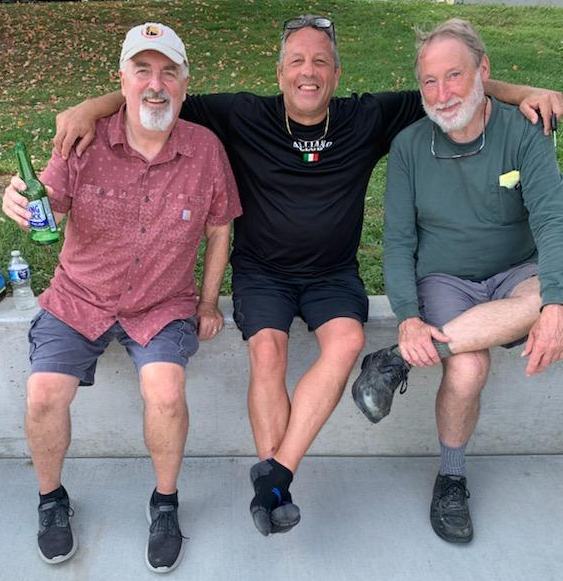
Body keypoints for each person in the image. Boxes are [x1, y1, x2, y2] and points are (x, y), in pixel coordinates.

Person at [52, 14, 563, 537]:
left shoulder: (366, 117)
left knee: (348, 341)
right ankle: (276, 486)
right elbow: (160, 93)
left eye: (320, 61)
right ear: (279, 74)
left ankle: (274, 479)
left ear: (337, 75)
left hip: (332, 273)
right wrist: (89, 109)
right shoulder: (243, 114)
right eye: (296, 61)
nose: (308, 72)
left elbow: (450, 89)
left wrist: (523, 92)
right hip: (263, 272)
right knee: (267, 352)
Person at [2, 23, 241, 572]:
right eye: (142, 71)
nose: (155, 85)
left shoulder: (205, 149)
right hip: (79, 297)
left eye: (168, 73)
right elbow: (46, 206)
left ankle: (165, 504)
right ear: (122, 80)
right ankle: (51, 500)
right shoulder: (82, 140)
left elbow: (219, 228)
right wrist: (17, 200)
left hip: (161, 304)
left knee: (166, 392)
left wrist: (208, 304)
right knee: (43, 394)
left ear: (185, 84)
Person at [352, 18, 563, 544]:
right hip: (446, 279)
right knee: (468, 368)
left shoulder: (525, 131)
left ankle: (393, 363)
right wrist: (408, 318)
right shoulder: (408, 147)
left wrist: (556, 305)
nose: (442, 93)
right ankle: (451, 479)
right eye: (430, 81)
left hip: (517, 274)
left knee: (547, 296)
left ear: (483, 71)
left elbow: (552, 219)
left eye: (454, 75)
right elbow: (397, 241)